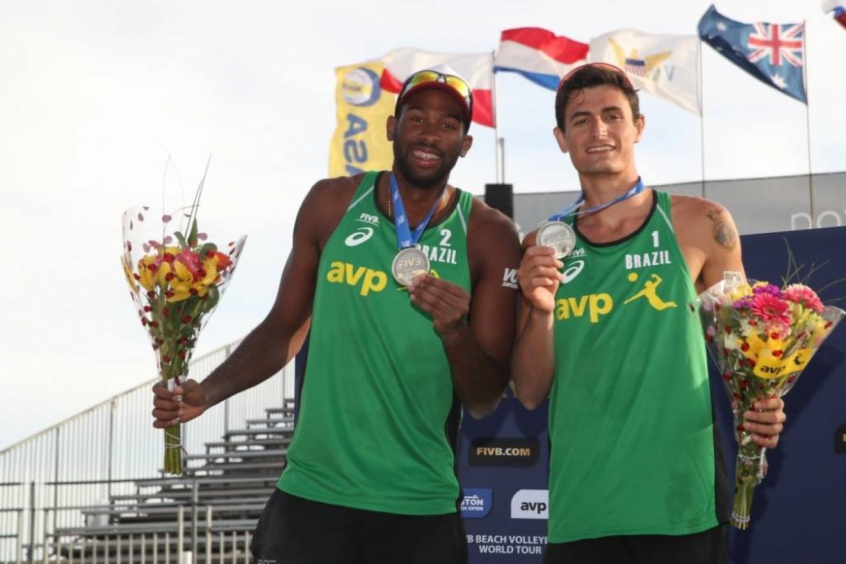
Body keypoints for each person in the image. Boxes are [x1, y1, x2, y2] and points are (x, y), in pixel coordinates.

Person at [151, 66, 520, 564]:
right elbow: (284, 327)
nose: (431, 133)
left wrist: (454, 332)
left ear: (466, 144)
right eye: (417, 118)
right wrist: (208, 393)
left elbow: (485, 398)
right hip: (313, 496)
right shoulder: (331, 203)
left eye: (448, 125)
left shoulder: (490, 235)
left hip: (418, 504)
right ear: (392, 128)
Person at [511, 63, 787, 564]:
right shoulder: (540, 246)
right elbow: (529, 392)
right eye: (580, 120)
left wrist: (762, 405)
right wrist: (541, 312)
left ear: (637, 127)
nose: (597, 130)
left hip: (682, 504)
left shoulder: (701, 223)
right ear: (560, 138)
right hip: (582, 511)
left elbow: (750, 352)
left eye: (612, 115)